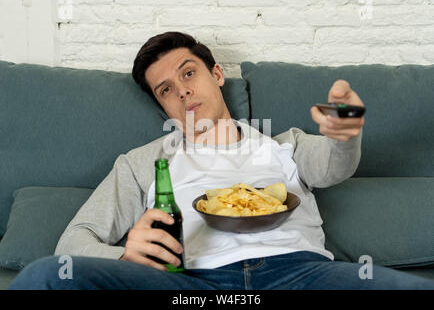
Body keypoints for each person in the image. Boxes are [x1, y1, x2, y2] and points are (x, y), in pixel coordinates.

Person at [9, 32, 434, 290]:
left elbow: (334, 166)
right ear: (162, 106)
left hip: (301, 274)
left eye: (188, 73)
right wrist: (121, 258)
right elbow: (73, 241)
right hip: (190, 284)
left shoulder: (286, 144)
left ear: (215, 74)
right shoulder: (142, 163)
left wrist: (345, 134)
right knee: (44, 277)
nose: (182, 92)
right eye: (165, 89)